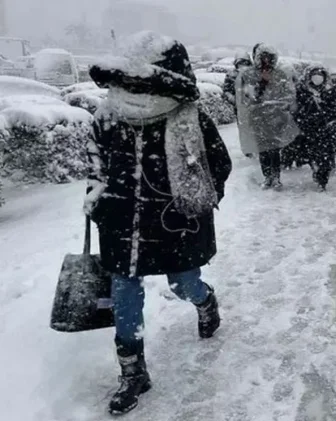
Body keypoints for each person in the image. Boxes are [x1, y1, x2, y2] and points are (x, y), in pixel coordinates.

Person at [84, 31, 232, 415]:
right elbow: (95, 162)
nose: (136, 88)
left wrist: (195, 197)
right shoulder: (108, 114)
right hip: (121, 223)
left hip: (174, 224)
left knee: (184, 284)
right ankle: (133, 372)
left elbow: (219, 164)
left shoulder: (190, 117)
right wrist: (97, 197)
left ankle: (205, 300)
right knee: (124, 295)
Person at [236, 43, 298, 189]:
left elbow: (287, 94)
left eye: (269, 58)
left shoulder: (280, 74)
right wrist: (258, 88)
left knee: (274, 149)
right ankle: (267, 176)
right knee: (263, 148)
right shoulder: (249, 75)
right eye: (262, 58)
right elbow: (246, 97)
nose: (266, 61)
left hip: (276, 117)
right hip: (257, 117)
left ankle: (276, 177)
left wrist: (279, 106)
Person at [295, 65, 336, 191]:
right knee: (311, 155)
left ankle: (322, 180)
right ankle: (315, 169)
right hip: (308, 129)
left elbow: (335, 109)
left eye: (320, 75)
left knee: (325, 157)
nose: (317, 78)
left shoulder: (330, 91)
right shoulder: (302, 90)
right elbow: (297, 109)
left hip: (325, 130)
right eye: (315, 74)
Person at [223, 50, 253, 114]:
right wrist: (234, 100)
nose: (242, 66)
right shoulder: (231, 75)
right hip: (239, 108)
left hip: (253, 107)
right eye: (240, 64)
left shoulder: (253, 75)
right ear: (236, 64)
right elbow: (226, 91)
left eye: (245, 63)